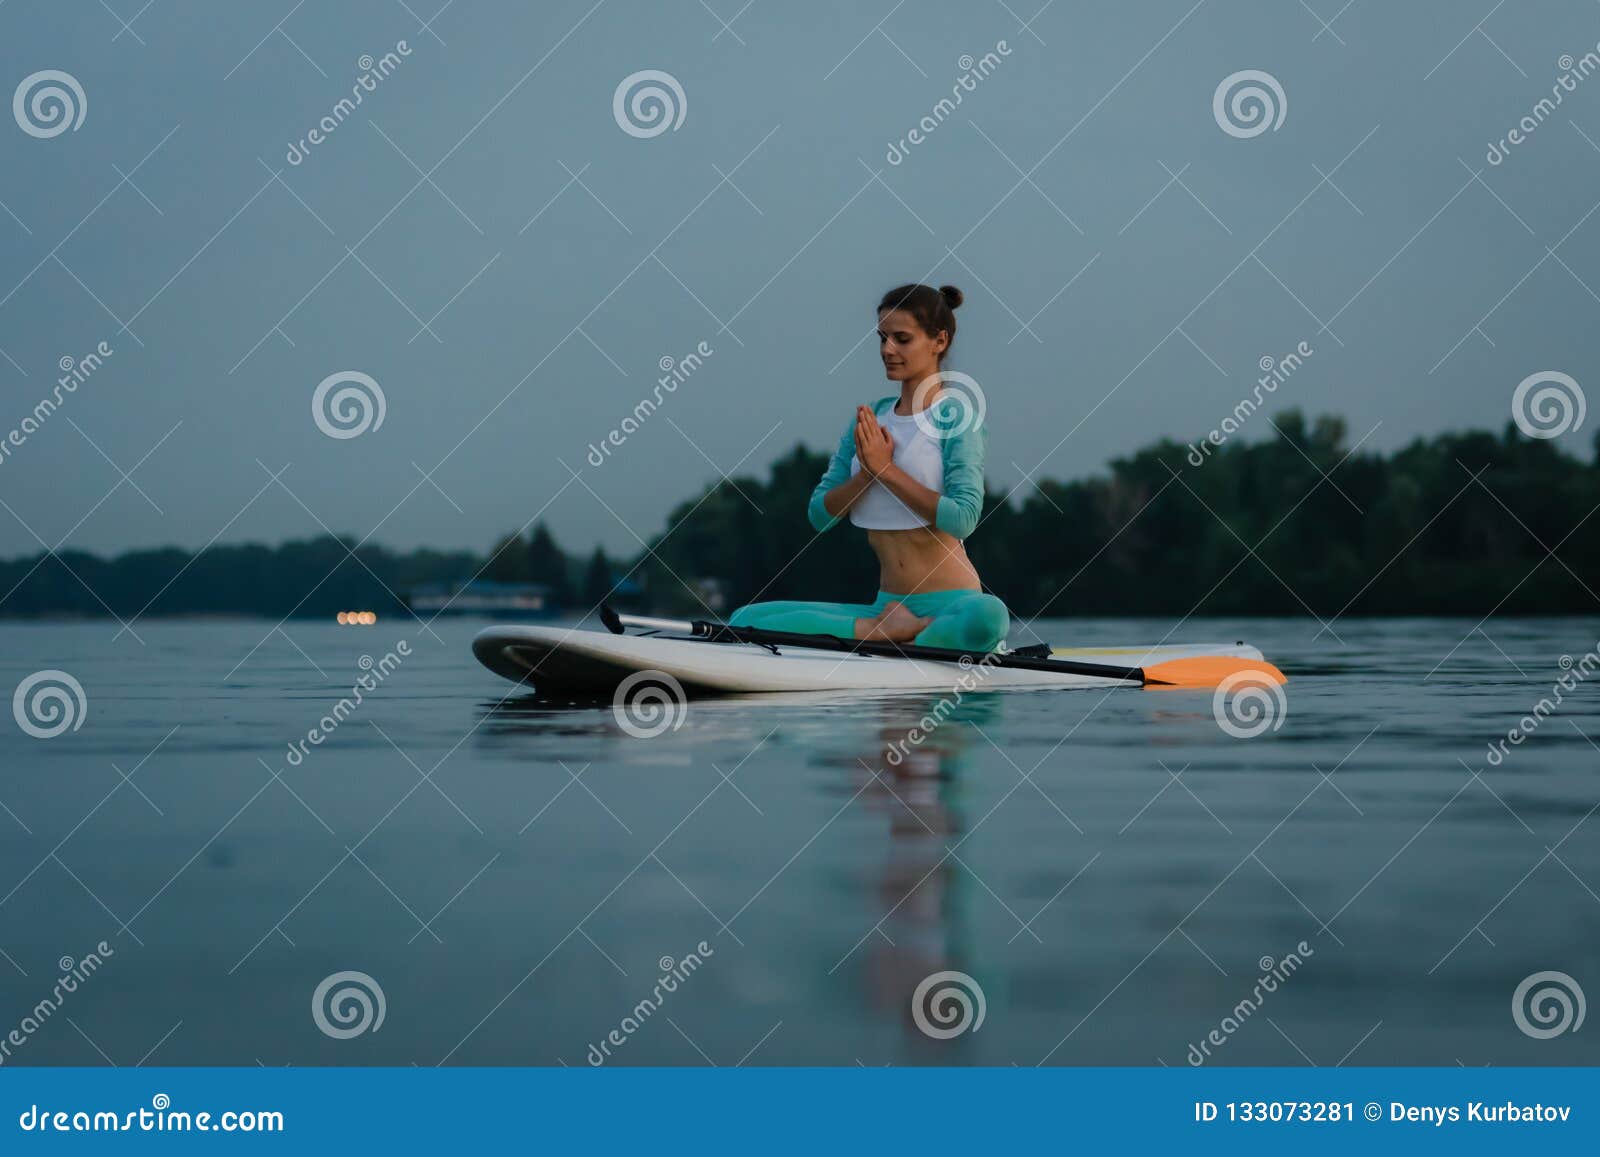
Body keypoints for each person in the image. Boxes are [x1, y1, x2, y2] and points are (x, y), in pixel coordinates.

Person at [727, 283, 1011, 652]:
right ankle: (886, 631)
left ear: (938, 341)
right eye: (882, 338)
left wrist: (886, 471)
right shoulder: (871, 418)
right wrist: (865, 476)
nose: (887, 350)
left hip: (954, 605)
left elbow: (964, 518)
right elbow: (820, 516)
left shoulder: (956, 417)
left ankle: (904, 632)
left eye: (902, 339)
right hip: (887, 606)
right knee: (743, 620)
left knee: (990, 617)